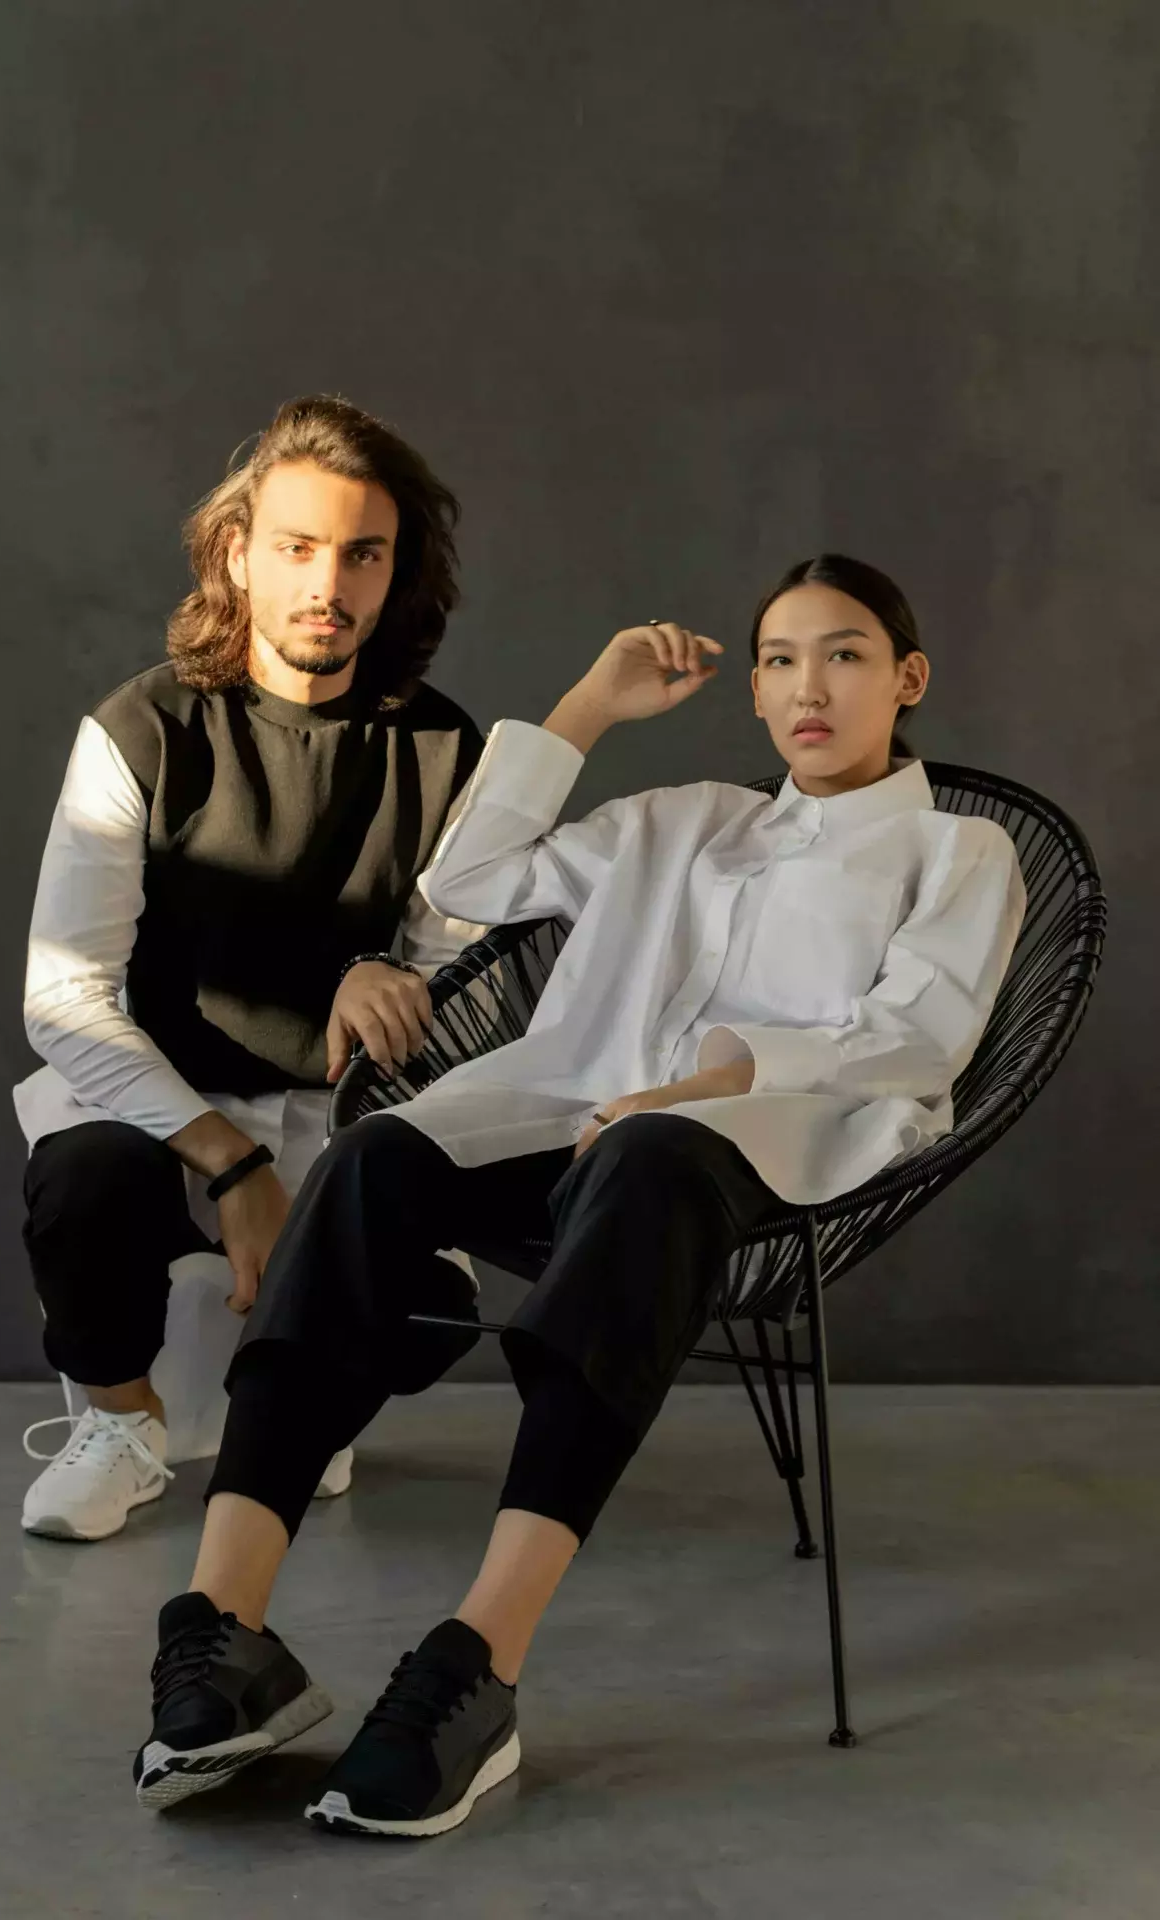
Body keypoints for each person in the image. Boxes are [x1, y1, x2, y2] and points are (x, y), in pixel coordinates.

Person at [131, 554, 1026, 1835]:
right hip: (567, 1119)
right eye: (779, 661)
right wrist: (591, 707)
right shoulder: (683, 820)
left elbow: (916, 1035)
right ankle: (228, 1631)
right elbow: (466, 887)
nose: (807, 688)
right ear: (755, 692)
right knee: (372, 1160)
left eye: (844, 656)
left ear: (909, 677)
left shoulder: (958, 851)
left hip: (765, 1150)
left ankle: (478, 1664)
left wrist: (699, 1087)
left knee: (648, 1161)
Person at [15, 394, 486, 1543]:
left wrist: (381, 973)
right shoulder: (141, 730)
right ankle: (121, 1422)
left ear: (396, 570)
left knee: (436, 1309)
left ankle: (299, 1406)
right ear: (238, 553)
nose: (330, 583)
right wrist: (232, 1166)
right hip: (161, 1109)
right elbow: (63, 998)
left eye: (363, 553)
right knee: (84, 1184)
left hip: (337, 1109)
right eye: (298, 547)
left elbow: (456, 983)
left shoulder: (443, 749)